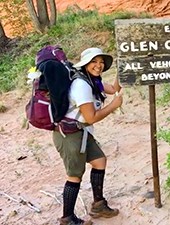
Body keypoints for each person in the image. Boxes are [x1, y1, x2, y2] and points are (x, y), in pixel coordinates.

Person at [54, 47, 123, 225]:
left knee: (100, 161)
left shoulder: (93, 81)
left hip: (81, 131)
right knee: (75, 175)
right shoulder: (82, 85)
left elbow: (114, 88)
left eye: (101, 62)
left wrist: (124, 68)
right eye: (94, 62)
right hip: (69, 135)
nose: (99, 65)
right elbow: (91, 117)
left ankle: (99, 205)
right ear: (85, 64)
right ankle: (67, 218)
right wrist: (113, 106)